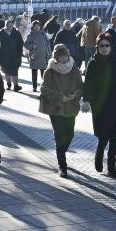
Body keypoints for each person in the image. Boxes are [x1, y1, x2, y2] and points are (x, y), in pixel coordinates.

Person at [84, 32, 116, 177]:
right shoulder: (93, 63)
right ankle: (99, 157)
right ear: (97, 47)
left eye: (107, 45)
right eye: (101, 46)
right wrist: (87, 100)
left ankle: (112, 167)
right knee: (103, 137)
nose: (104, 48)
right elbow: (88, 84)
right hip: (100, 106)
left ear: (111, 47)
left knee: (114, 138)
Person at [39, 43, 83, 177]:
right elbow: (43, 89)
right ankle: (62, 166)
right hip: (55, 107)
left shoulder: (74, 69)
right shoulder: (50, 70)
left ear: (68, 55)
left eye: (65, 56)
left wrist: (75, 95)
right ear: (56, 57)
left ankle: (61, 151)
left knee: (70, 134)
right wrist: (60, 97)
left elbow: (81, 86)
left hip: (70, 106)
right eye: (60, 56)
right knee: (60, 135)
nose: (63, 58)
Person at [0, 20, 24, 93]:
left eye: (11, 26)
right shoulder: (2, 32)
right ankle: (9, 84)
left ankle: (16, 86)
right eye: (8, 26)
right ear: (6, 25)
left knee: (14, 70)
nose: (9, 27)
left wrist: (20, 52)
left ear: (13, 25)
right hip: (4, 55)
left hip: (15, 54)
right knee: (6, 70)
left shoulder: (16, 32)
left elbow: (21, 43)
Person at [25, 21, 52, 92]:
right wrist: (32, 46)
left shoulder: (43, 34)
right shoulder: (30, 35)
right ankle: (34, 87)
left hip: (43, 57)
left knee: (43, 73)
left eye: (38, 26)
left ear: (40, 27)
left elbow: (48, 44)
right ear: (33, 27)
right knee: (34, 73)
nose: (36, 27)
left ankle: (44, 87)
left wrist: (49, 54)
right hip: (34, 57)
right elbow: (26, 44)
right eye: (35, 26)